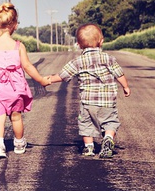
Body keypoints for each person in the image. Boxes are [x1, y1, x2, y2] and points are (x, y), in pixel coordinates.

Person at [47, 23, 131, 158]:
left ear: (79, 45)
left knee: (86, 124)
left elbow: (63, 75)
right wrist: (125, 87)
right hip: (108, 101)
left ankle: (89, 148)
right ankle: (108, 138)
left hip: (88, 102)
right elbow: (119, 74)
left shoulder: (78, 61)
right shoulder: (108, 59)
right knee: (110, 122)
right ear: (101, 41)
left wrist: (49, 79)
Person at [0, 2, 51, 159]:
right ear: (14, 25)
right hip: (15, 88)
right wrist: (41, 80)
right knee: (16, 117)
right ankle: (19, 143)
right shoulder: (19, 46)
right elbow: (27, 66)